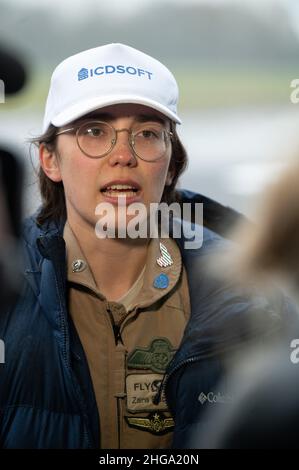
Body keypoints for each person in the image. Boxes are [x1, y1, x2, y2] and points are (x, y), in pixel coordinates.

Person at [0, 43, 297, 449]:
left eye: (147, 133)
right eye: (93, 131)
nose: (123, 155)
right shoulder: (6, 289)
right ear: (50, 160)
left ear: (172, 163)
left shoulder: (257, 302)